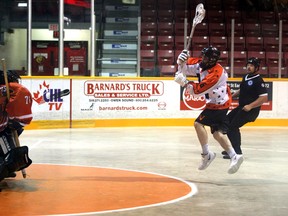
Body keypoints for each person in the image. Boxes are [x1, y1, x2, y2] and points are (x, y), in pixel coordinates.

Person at [174, 46, 243, 174]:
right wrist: (180, 61)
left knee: (198, 124)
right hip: (219, 104)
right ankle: (234, 156)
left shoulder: (216, 74)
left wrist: (184, 83)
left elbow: (197, 91)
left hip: (218, 105)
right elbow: (186, 68)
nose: (203, 58)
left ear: (212, 60)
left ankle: (206, 154)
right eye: (203, 55)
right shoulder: (202, 63)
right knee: (217, 133)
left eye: (206, 57)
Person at [222, 57, 268, 159]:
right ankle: (232, 149)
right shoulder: (246, 77)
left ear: (256, 68)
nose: (248, 67)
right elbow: (241, 90)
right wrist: (231, 97)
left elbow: (264, 98)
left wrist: (250, 106)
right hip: (241, 107)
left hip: (250, 110)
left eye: (251, 66)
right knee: (227, 122)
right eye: (248, 65)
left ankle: (237, 153)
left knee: (233, 127)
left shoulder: (258, 80)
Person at [0, 70, 33, 181]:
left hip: (2, 128)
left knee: (9, 156)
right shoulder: (9, 89)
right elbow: (22, 117)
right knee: (9, 157)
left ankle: (5, 170)